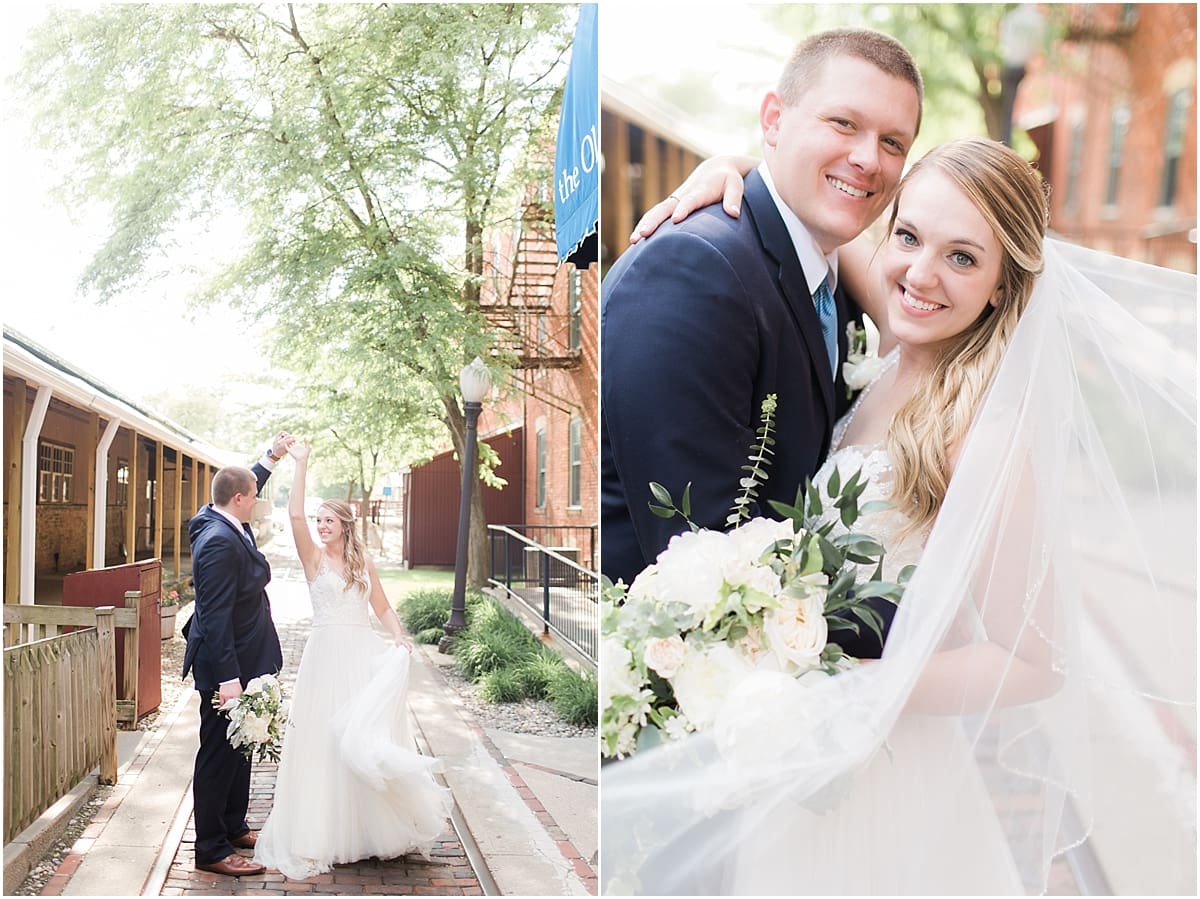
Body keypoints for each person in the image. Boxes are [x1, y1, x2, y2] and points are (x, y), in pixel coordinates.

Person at [601, 139, 1196, 894]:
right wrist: (733, 167)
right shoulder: (894, 341)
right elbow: (811, 203)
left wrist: (845, 684)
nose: (921, 273)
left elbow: (1034, 660)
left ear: (1006, 284)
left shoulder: (980, 431)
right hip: (800, 754)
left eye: (962, 258)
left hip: (884, 769)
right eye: (910, 236)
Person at [601, 27, 923, 661]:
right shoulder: (694, 273)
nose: (868, 158)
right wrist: (938, 620)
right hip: (666, 694)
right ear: (773, 118)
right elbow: (704, 561)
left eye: (893, 142)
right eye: (843, 123)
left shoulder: (839, 280)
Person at [254, 440, 451, 880]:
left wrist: (399, 637)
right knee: (324, 738)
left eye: (329, 521)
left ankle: (368, 828)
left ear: (345, 525)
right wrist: (301, 464)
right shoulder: (312, 559)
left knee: (364, 736)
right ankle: (323, 831)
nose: (321, 526)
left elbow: (381, 606)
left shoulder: (363, 564)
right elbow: (293, 515)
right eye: (319, 520)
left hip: (361, 654)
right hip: (324, 657)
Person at [182, 432, 292, 876]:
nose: (258, 501)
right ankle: (210, 847)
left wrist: (269, 459)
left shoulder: (217, 516)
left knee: (239, 746)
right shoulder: (218, 542)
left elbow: (243, 482)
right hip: (226, 667)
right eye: (254, 496)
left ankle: (232, 825)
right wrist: (229, 680)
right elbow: (214, 616)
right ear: (241, 500)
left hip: (246, 661)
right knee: (217, 753)